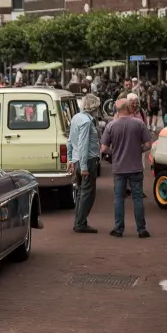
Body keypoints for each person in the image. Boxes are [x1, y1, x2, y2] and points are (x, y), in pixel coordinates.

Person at [101, 99, 152, 238]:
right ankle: (141, 229)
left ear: (117, 110)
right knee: (137, 199)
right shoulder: (139, 124)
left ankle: (119, 229)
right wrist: (138, 150)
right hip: (135, 166)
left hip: (119, 167)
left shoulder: (111, 126)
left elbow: (104, 148)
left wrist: (115, 152)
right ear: (128, 108)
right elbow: (148, 144)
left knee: (118, 198)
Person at [67, 94, 101, 233]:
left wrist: (70, 158)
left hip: (77, 159)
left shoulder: (76, 118)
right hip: (86, 160)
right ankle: (80, 222)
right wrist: (85, 167)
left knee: (81, 192)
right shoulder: (87, 122)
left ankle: (79, 220)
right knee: (88, 193)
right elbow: (83, 144)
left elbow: (70, 140)